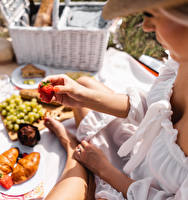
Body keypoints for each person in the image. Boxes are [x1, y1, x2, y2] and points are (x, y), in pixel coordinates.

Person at [43, 0, 188, 199]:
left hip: (139, 192)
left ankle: (79, 164)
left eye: (152, 14)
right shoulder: (180, 62)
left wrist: (104, 170)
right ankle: (84, 169)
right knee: (85, 83)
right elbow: (154, 110)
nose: (146, 26)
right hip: (140, 160)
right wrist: (83, 97)